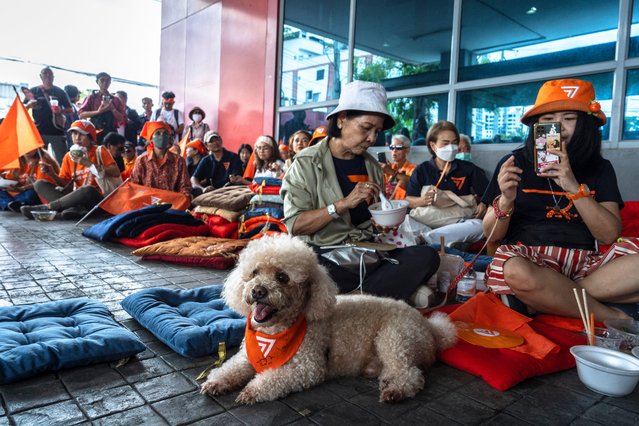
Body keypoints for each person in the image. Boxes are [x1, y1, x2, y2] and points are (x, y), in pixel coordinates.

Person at [482, 78, 639, 321]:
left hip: (587, 266)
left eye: (569, 118)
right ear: (536, 126)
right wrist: (505, 199)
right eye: (547, 120)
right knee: (512, 269)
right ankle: (615, 317)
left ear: (586, 124)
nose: (559, 127)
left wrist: (572, 185)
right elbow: (491, 236)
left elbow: (608, 234)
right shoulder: (514, 163)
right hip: (530, 260)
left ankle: (545, 299)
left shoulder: (600, 168)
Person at [281, 80, 440, 302]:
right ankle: (385, 293)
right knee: (306, 269)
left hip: (365, 252)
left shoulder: (372, 167)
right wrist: (343, 204)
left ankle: (352, 298)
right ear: (342, 118)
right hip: (323, 253)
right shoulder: (306, 163)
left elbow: (370, 223)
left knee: (427, 256)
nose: (372, 138)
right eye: (366, 128)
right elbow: (295, 224)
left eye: (376, 131)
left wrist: (382, 222)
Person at [405, 121, 488, 247]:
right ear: (433, 146)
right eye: (445, 143)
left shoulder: (468, 168)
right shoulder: (422, 170)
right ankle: (446, 240)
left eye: (454, 142)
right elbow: (409, 199)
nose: (451, 147)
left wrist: (484, 202)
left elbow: (488, 192)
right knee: (404, 221)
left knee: (480, 226)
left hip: (457, 222)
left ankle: (426, 238)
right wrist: (423, 200)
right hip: (427, 221)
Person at [21, 120, 120, 220]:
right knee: (39, 184)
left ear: (91, 138)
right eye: (74, 134)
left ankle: (49, 208)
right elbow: (65, 186)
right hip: (76, 200)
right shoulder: (68, 157)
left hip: (98, 199)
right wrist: (52, 174)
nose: (77, 138)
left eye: (82, 134)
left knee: (87, 189)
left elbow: (116, 172)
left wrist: (90, 164)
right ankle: (72, 210)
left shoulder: (100, 150)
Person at [130, 122, 192, 200]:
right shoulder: (141, 161)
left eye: (165, 133)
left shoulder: (179, 161)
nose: (162, 136)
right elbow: (134, 186)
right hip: (146, 206)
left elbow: (185, 187)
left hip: (172, 205)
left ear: (169, 138)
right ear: (151, 139)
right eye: (158, 133)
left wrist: (181, 199)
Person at [25, 67, 73, 164]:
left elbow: (70, 110)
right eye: (45, 73)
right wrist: (29, 105)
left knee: (62, 160)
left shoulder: (60, 92)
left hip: (57, 131)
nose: (47, 76)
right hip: (39, 131)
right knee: (38, 160)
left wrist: (60, 110)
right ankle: (40, 178)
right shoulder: (33, 91)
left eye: (50, 74)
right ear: (40, 76)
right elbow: (23, 108)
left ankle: (62, 178)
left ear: (53, 77)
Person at [0, 148, 59, 212]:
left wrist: (22, 188)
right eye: (24, 146)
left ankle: (8, 204)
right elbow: (7, 176)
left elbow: (41, 184)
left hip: (33, 192)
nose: (27, 150)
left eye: (29, 147)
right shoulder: (15, 158)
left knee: (30, 194)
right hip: (15, 193)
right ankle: (13, 204)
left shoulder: (43, 160)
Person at [78, 72, 125, 144]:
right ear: (97, 82)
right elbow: (81, 114)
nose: (105, 83)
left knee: (110, 153)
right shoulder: (91, 97)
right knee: (95, 152)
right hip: (95, 130)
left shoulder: (116, 99)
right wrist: (98, 112)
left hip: (111, 132)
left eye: (107, 80)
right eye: (102, 80)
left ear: (110, 82)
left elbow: (121, 118)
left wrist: (113, 109)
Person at [191, 131, 243, 195]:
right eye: (211, 141)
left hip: (230, 192)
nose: (215, 143)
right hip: (211, 193)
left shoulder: (233, 157)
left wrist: (234, 179)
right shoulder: (205, 160)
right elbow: (193, 178)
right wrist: (202, 189)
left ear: (221, 140)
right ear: (206, 145)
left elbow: (238, 177)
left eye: (217, 139)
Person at [380, 134, 416, 200]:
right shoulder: (389, 167)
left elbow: (412, 180)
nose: (394, 150)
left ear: (407, 150)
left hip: (401, 204)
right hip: (384, 200)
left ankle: (388, 206)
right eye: (392, 147)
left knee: (402, 182)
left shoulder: (413, 168)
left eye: (399, 147)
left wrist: (390, 172)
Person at [63, 85, 81, 149]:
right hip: (70, 136)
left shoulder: (63, 106)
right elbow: (75, 123)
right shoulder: (71, 107)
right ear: (75, 97)